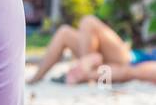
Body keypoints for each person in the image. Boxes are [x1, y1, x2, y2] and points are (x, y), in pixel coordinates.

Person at [28, 13, 156, 85]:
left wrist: (91, 75)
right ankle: (36, 78)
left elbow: (129, 72)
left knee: (88, 22)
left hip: (128, 60)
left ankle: (85, 66)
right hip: (120, 56)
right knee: (64, 32)